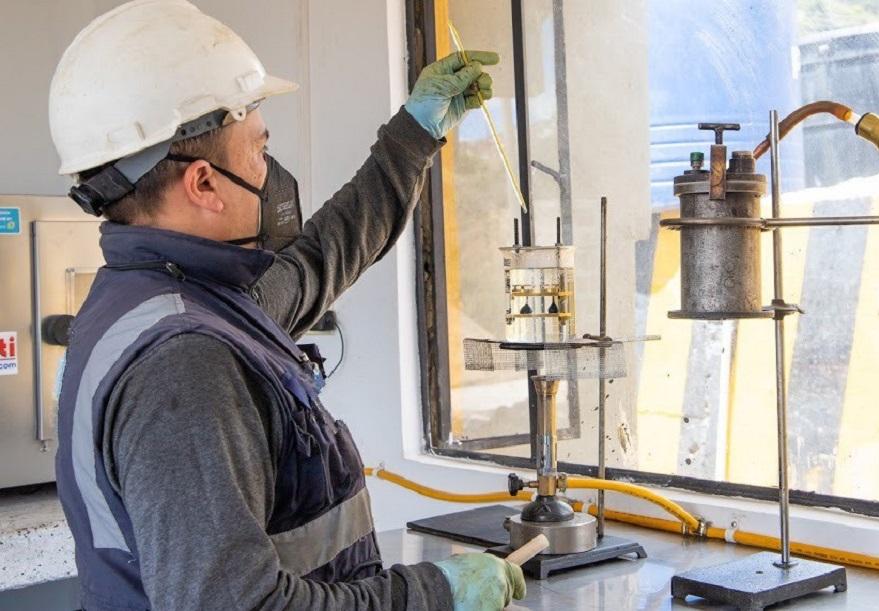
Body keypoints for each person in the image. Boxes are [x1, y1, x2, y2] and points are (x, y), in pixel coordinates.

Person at [48, 1, 524, 609]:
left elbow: (324, 256)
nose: (269, 169)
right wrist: (431, 595)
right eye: (257, 149)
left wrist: (415, 133)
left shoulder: (176, 299)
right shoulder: (184, 364)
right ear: (203, 183)